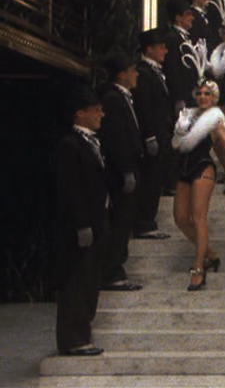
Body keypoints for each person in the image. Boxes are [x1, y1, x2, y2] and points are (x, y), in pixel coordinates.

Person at [52, 86, 108, 356]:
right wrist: (82, 224)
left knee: (89, 280)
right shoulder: (70, 146)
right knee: (76, 281)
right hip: (79, 228)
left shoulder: (91, 142)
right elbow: (70, 188)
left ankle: (83, 332)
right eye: (96, 110)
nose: (101, 114)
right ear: (80, 114)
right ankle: (73, 339)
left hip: (97, 223)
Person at [172, 80, 225, 291]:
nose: (203, 97)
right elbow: (176, 145)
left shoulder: (215, 118)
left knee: (198, 217)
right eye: (200, 93)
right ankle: (210, 255)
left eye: (207, 94)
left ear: (214, 98)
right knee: (180, 218)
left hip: (203, 167)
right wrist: (179, 131)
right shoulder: (188, 115)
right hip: (184, 167)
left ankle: (199, 269)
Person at [97, 54, 144, 292]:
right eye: (133, 70)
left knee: (124, 221)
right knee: (120, 222)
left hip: (128, 167)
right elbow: (116, 138)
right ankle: (111, 271)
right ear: (122, 74)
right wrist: (126, 170)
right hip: (119, 171)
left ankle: (115, 268)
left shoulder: (122, 97)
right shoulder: (113, 99)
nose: (137, 74)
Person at [131, 28, 172, 240]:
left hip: (160, 132)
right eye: (161, 47)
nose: (165, 50)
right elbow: (144, 106)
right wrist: (150, 136)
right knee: (149, 179)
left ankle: (148, 220)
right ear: (149, 49)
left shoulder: (155, 71)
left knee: (155, 178)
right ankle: (144, 222)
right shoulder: (144, 73)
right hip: (151, 134)